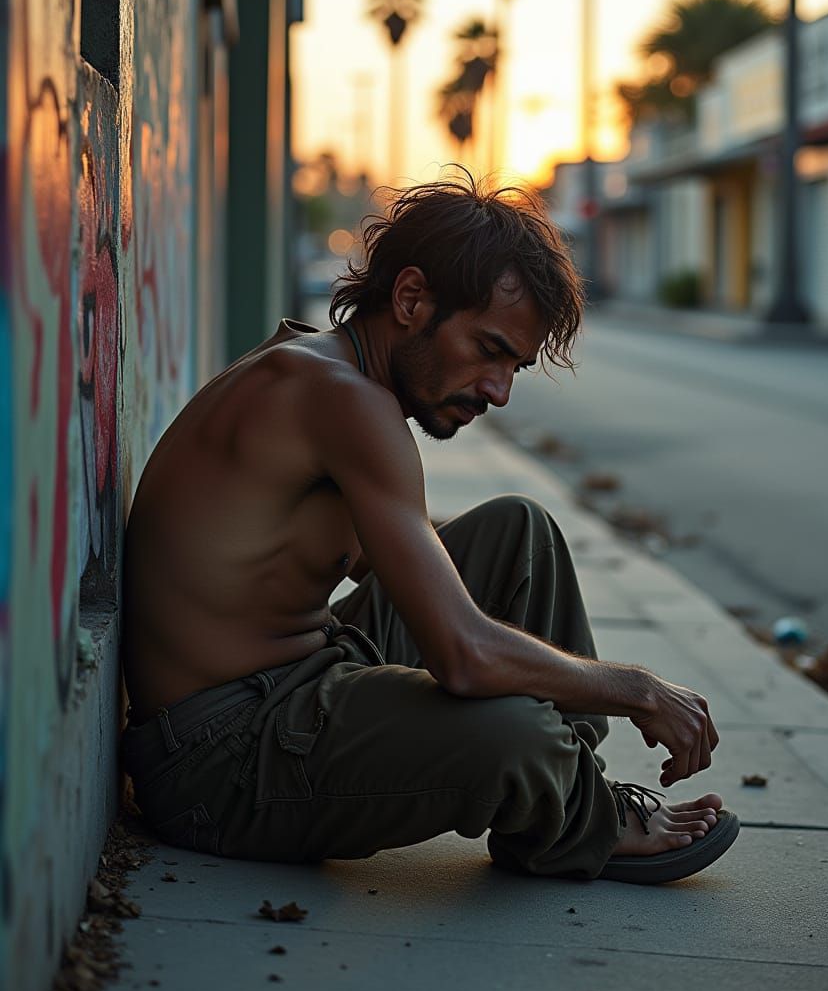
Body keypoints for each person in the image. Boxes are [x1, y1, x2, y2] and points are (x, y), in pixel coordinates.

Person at [119, 170, 739, 885]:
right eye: (488, 350)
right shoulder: (341, 401)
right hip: (218, 766)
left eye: (515, 366)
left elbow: (393, 566)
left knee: (518, 534)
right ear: (411, 299)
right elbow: (463, 657)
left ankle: (569, 792)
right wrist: (637, 689)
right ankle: (574, 814)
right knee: (516, 731)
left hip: (298, 682)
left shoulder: (323, 369)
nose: (499, 391)